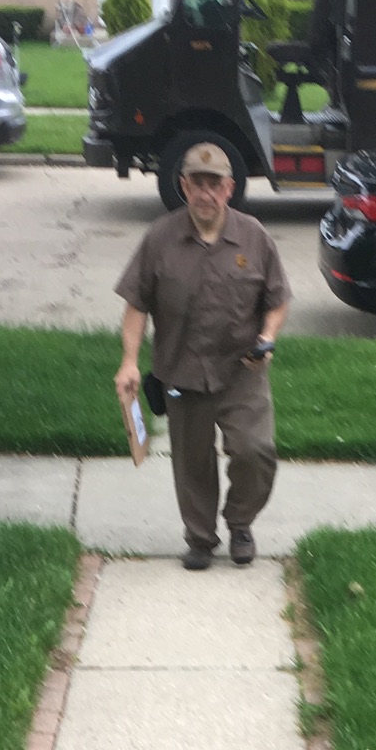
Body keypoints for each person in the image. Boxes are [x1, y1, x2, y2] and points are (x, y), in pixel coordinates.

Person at [114, 142, 292, 570]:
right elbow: (137, 304)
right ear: (184, 186)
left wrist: (268, 336)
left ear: (229, 188)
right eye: (198, 183)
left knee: (255, 452)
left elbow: (278, 299)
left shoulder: (254, 237)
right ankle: (200, 538)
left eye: (215, 184)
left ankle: (240, 522)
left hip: (242, 370)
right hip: (181, 372)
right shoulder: (160, 238)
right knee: (192, 463)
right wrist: (129, 361)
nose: (206, 193)